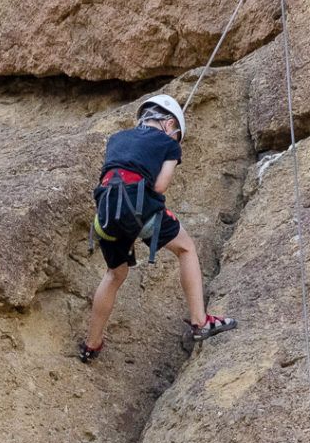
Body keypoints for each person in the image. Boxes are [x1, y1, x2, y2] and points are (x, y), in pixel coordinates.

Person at [79, 94, 237, 362]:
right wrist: (169, 150)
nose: (175, 139)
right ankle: (201, 321)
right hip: (139, 208)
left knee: (114, 275)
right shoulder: (168, 144)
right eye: (176, 134)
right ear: (169, 124)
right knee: (186, 249)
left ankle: (91, 344)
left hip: (106, 211)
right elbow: (160, 186)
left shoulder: (117, 138)